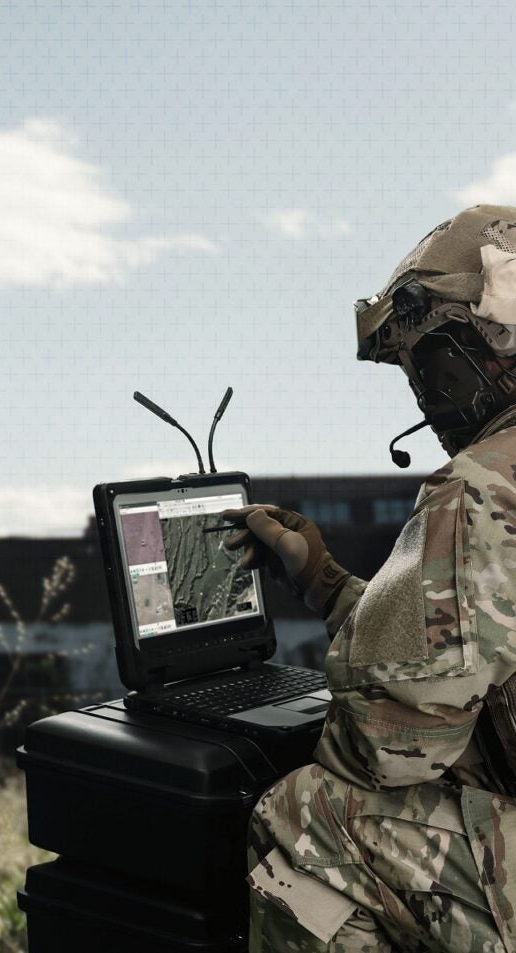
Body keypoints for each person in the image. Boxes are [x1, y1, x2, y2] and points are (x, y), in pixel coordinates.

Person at [221, 205, 516, 951]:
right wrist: (323, 581)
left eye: (423, 361)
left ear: (478, 343)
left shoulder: (483, 485)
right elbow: (481, 648)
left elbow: (388, 744)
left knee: (306, 813)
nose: (421, 393)